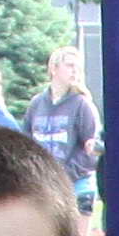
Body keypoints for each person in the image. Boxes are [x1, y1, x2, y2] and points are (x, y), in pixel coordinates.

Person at [27, 43, 101, 214]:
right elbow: (26, 143)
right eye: (69, 66)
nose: (74, 71)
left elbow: (92, 149)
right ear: (54, 68)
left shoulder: (82, 105)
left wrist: (62, 175)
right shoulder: (36, 104)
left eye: (77, 67)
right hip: (43, 187)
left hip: (77, 187)